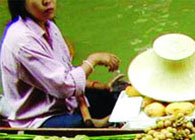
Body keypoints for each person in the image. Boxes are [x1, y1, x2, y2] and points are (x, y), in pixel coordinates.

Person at [1, 0, 122, 128]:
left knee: (113, 99)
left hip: (66, 103)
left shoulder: (49, 25)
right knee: (83, 125)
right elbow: (63, 86)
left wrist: (97, 86)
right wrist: (93, 60)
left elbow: (65, 71)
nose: (47, 1)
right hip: (40, 118)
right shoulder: (22, 40)